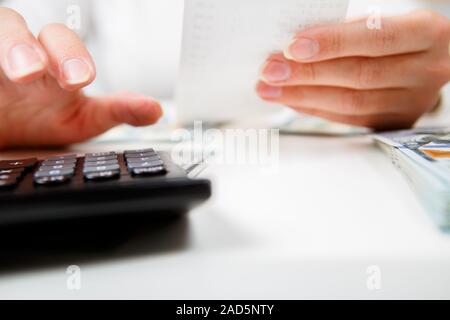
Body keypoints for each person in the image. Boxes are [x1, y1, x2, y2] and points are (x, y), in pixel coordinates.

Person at [0, 0, 449, 149]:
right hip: (130, 155)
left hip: (353, 171)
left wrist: (431, 93)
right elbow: (28, 22)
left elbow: (422, 36)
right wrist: (16, 100)